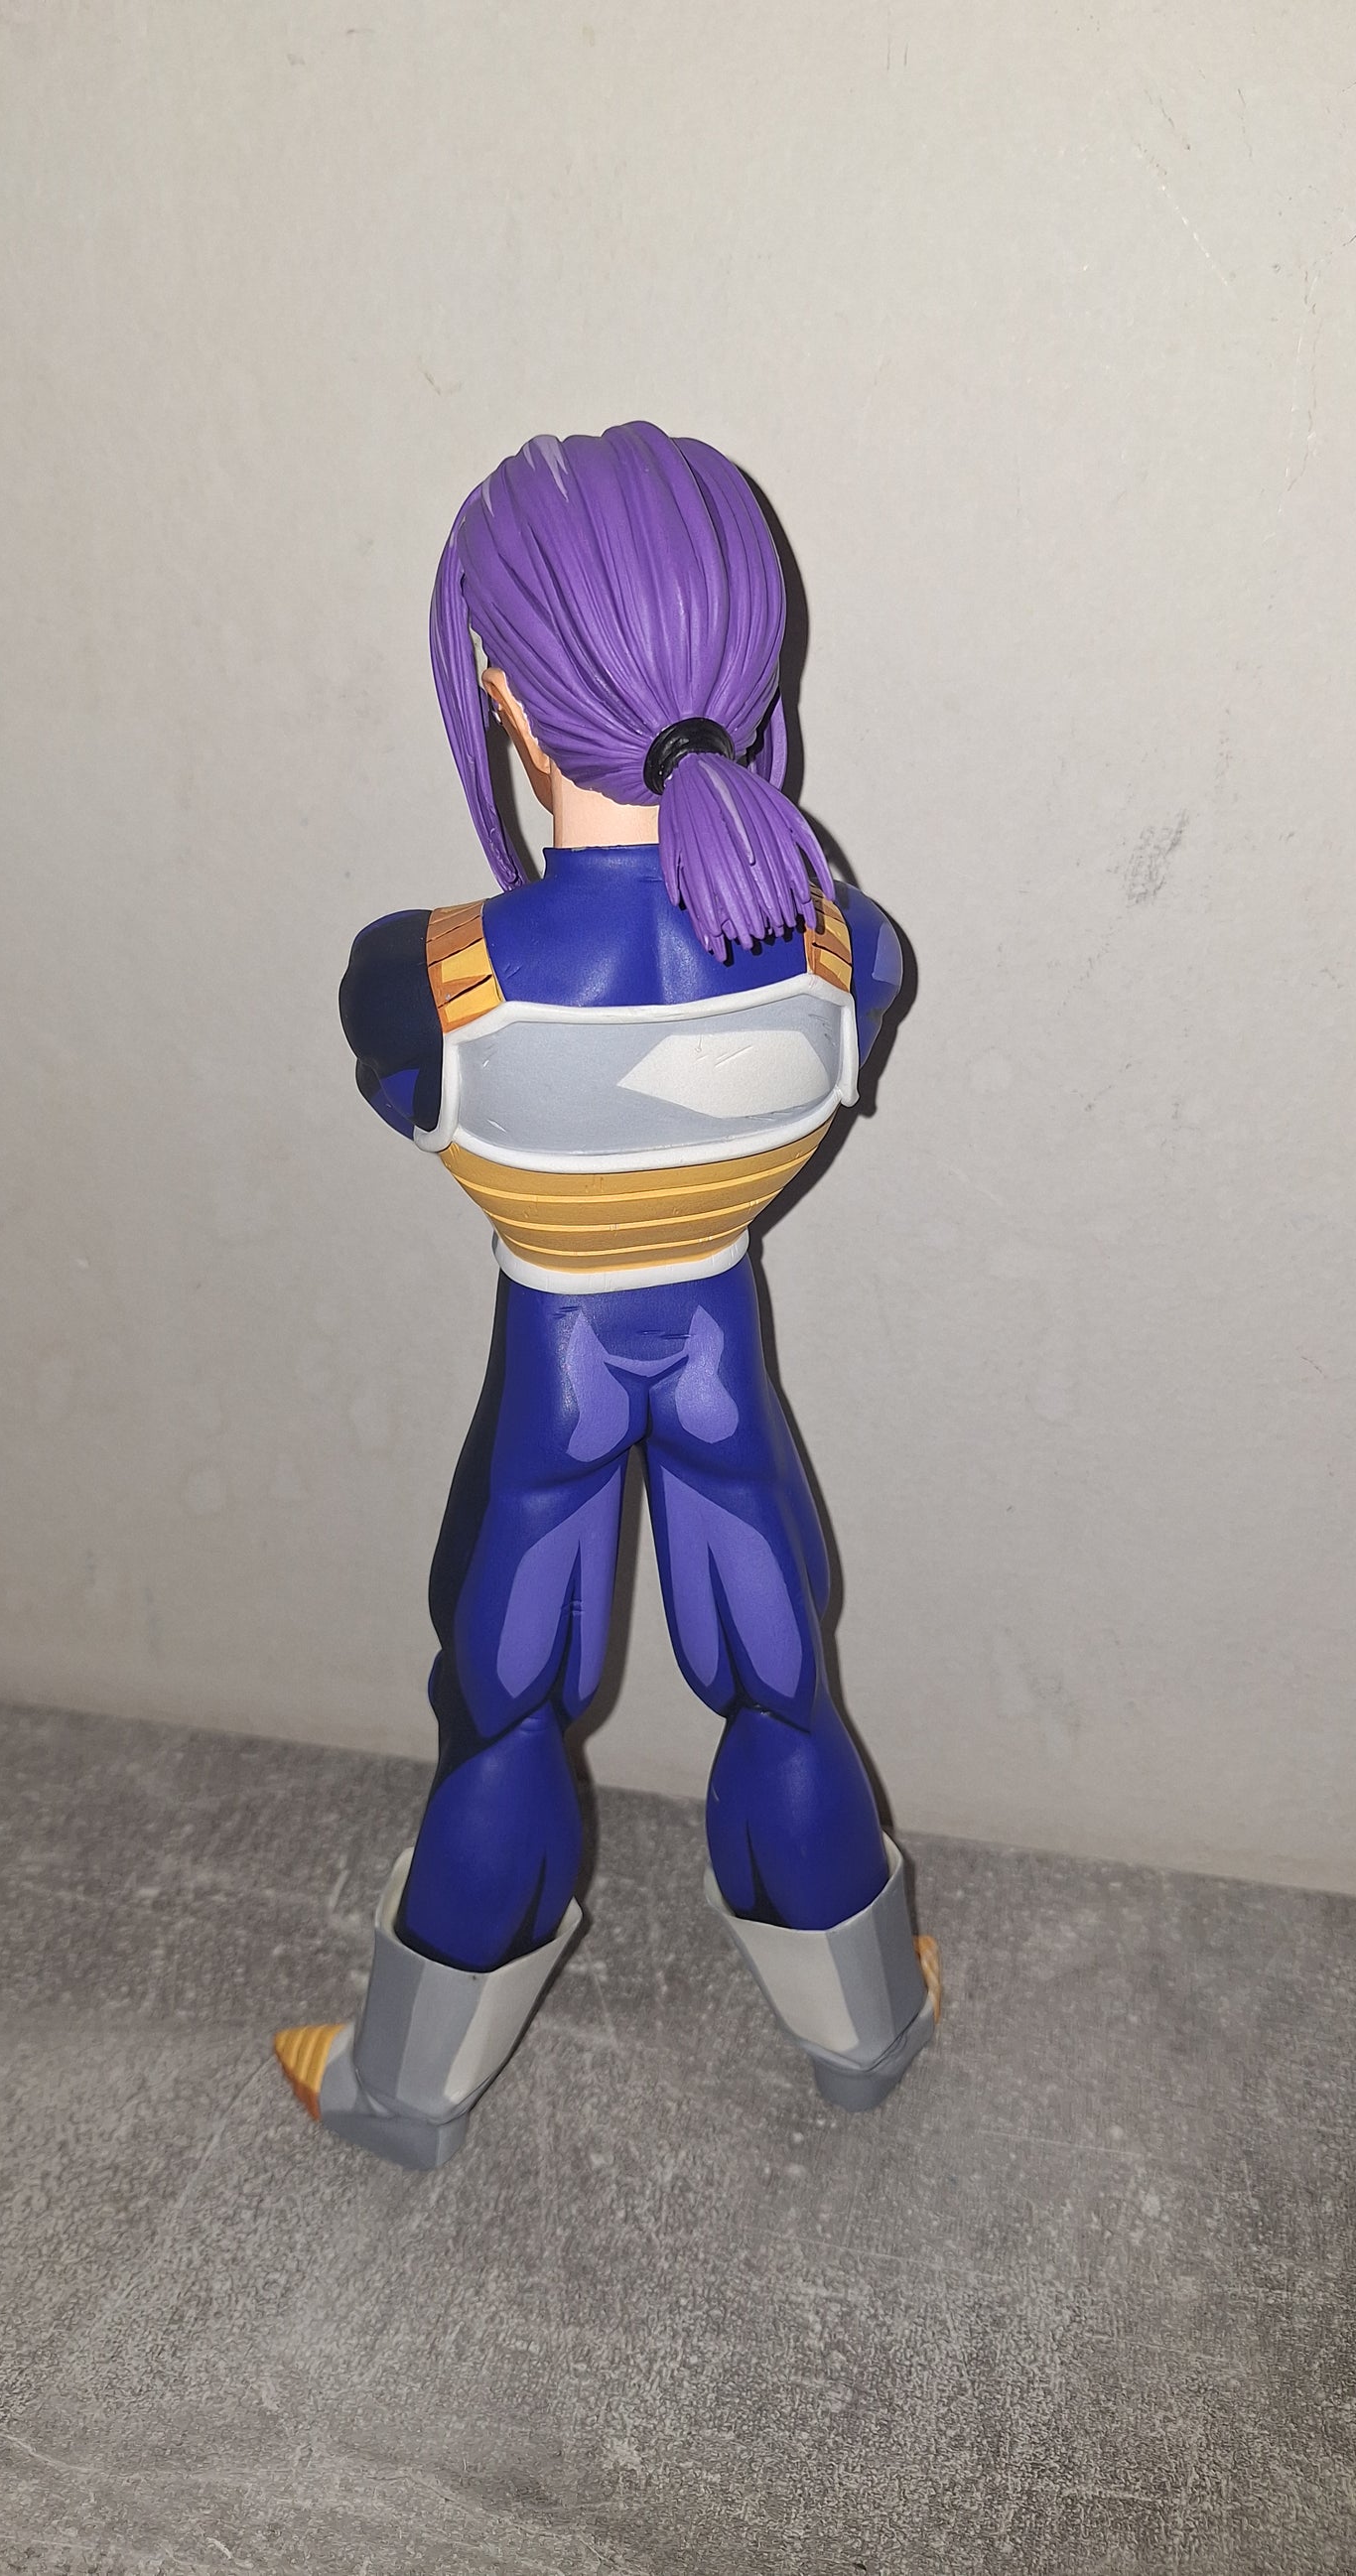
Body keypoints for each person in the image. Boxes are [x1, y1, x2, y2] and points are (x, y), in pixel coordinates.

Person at [274, 423, 935, 2168]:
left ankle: (406, 2086)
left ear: (498, 684)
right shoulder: (845, 949)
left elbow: (407, 1089)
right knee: (780, 1679)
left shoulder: (430, 977)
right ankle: (864, 2027)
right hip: (716, 1356)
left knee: (502, 1705)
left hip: (554, 1362)